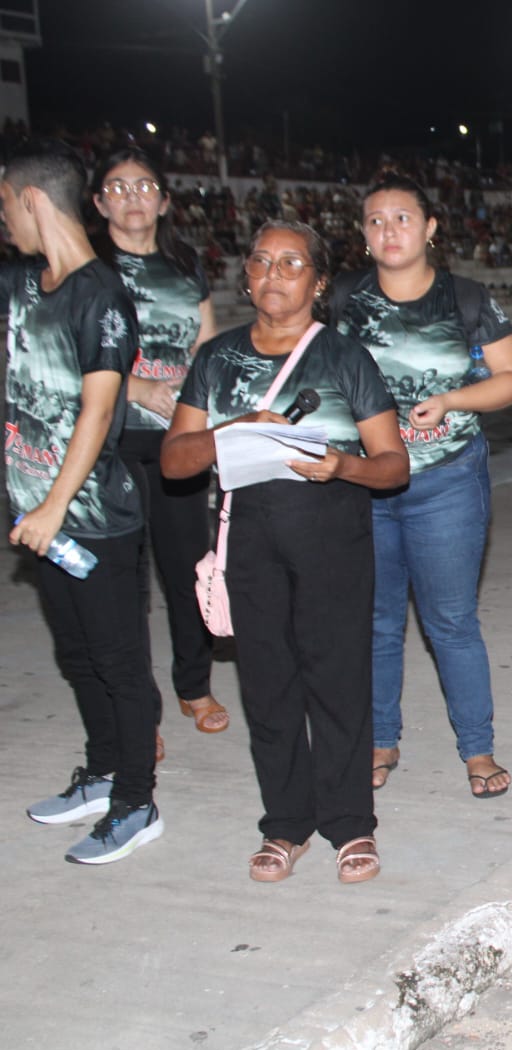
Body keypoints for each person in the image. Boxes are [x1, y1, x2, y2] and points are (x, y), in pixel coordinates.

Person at [163, 220, 408, 883]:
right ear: (245, 275)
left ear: (318, 282)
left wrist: (342, 466)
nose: (273, 274)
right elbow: (176, 461)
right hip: (250, 538)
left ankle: (351, 825)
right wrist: (235, 428)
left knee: (337, 681)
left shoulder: (345, 357)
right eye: (261, 261)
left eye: (292, 263)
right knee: (267, 684)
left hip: (333, 535)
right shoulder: (216, 358)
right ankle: (285, 824)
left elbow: (393, 465)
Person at [331, 173, 512, 798]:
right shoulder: (341, 299)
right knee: (376, 620)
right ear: (363, 234)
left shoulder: (465, 298)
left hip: (446, 483)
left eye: (403, 218)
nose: (389, 230)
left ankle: (477, 747)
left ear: (430, 228)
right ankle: (380, 739)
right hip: (364, 485)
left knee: (451, 621)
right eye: (376, 220)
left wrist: (450, 400)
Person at [6, 143, 166, 863]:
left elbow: (99, 413)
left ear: (32, 200)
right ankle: (102, 774)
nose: (5, 220)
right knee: (75, 655)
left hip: (93, 520)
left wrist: (52, 507)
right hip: (38, 520)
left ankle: (137, 799)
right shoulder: (22, 283)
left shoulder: (101, 295)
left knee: (118, 661)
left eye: (6, 205)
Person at [90, 147, 230, 744]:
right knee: (122, 578)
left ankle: (193, 686)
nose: (132, 196)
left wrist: (203, 406)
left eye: (144, 186)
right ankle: (137, 710)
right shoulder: (87, 268)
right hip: (111, 438)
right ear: (99, 204)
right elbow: (69, 353)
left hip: (178, 441)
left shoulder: (184, 263)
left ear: (165, 201)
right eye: (118, 187)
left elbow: (206, 342)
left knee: (187, 568)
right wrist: (139, 387)